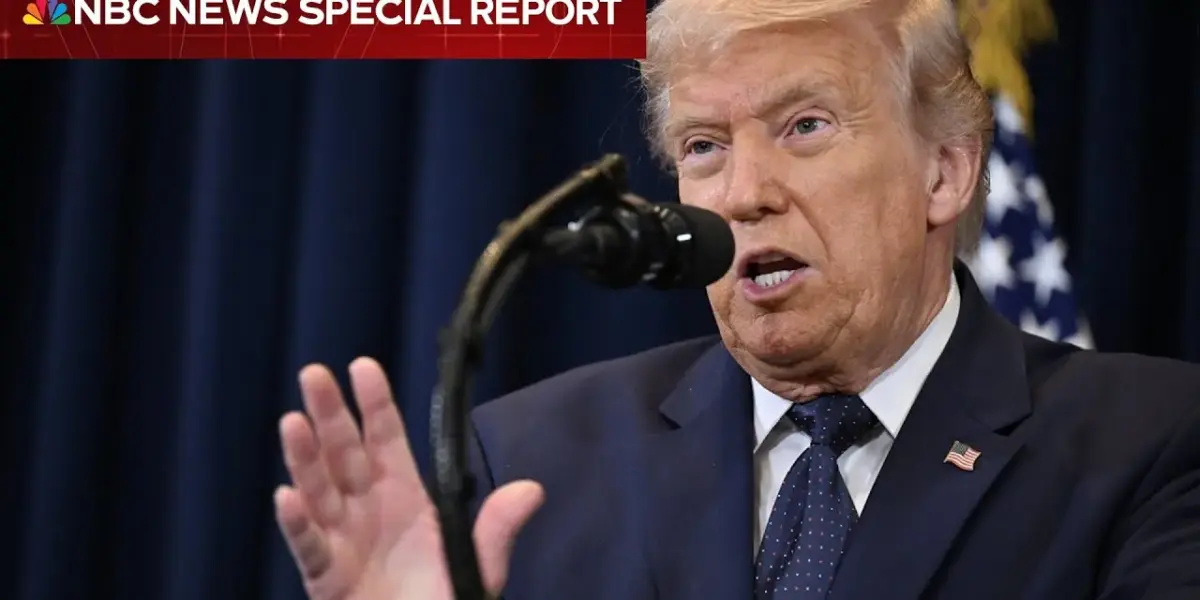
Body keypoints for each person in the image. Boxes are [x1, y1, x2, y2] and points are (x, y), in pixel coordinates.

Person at [272, 0, 1200, 597]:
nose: (743, 192)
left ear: (945, 173)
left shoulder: (1150, 444)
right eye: (704, 147)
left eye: (805, 125)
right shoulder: (531, 462)